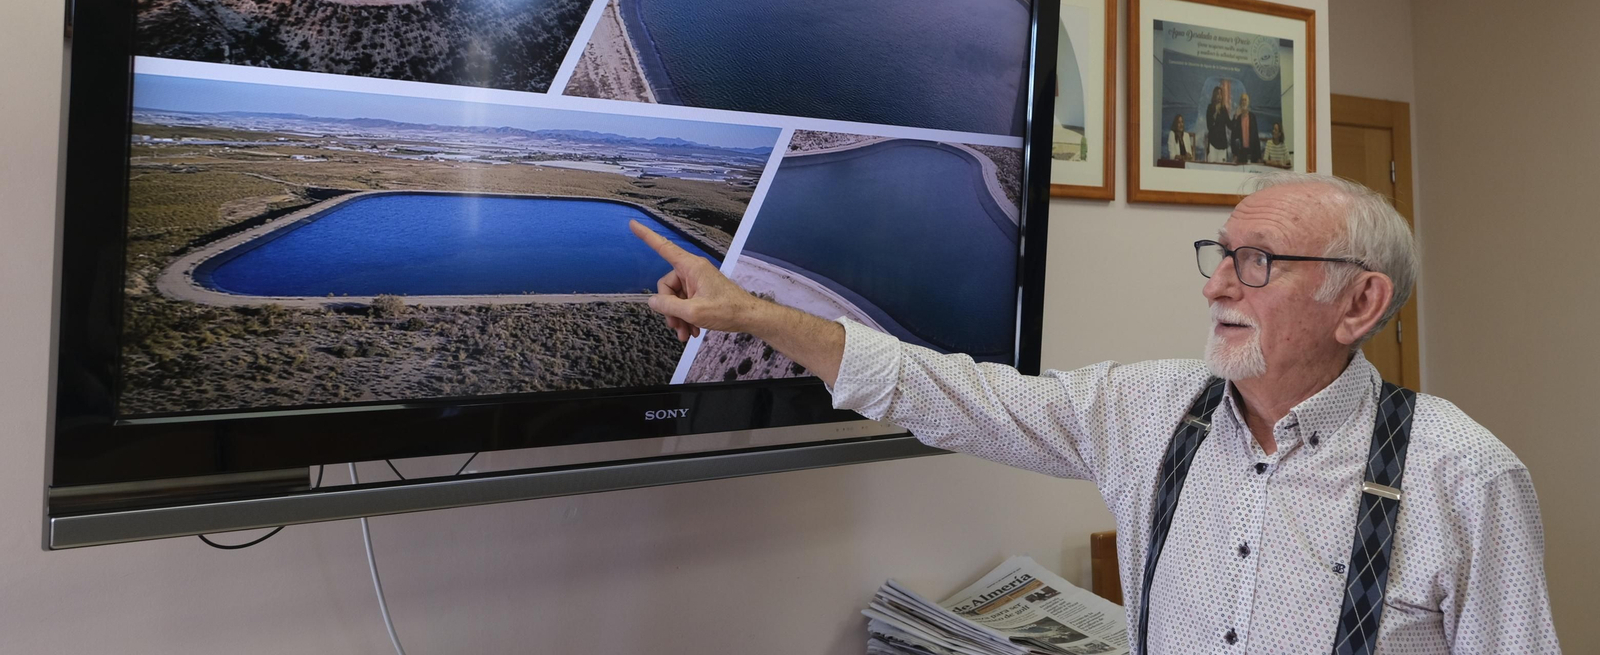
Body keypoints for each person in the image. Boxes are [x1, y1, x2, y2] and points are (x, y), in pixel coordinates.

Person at [628, 173, 1558, 654]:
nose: (1217, 283)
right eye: (1220, 252)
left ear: (1360, 304)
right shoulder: (1149, 408)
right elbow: (950, 392)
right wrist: (750, 314)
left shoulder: (1460, 472)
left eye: (1258, 262)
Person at [1231, 92, 1265, 164]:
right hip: (1241, 152)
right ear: (1240, 103)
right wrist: (1235, 117)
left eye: (1245, 100)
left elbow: (1256, 136)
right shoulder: (1237, 118)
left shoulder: (1252, 117)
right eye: (1242, 100)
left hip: (1252, 151)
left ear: (1248, 102)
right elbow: (1233, 135)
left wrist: (1259, 156)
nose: (1243, 102)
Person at [1205, 86, 1231, 163]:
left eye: (1221, 94)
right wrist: (1215, 113)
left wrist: (1236, 117)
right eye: (1218, 94)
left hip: (1222, 145)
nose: (1219, 96)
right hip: (1213, 144)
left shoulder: (1224, 109)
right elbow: (1209, 126)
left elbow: (1229, 124)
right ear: (1214, 96)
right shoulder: (1210, 108)